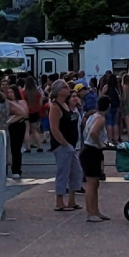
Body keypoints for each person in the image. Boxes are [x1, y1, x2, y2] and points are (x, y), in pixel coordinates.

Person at [49, 84, 80, 212]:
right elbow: (54, 129)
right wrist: (64, 143)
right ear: (59, 91)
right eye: (65, 87)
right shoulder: (56, 107)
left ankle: (71, 200)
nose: (68, 89)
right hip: (62, 146)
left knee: (76, 172)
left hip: (71, 145)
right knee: (63, 172)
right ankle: (59, 201)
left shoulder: (67, 105)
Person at [79, 99, 111, 222]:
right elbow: (93, 132)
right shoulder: (101, 119)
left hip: (90, 151)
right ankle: (90, 212)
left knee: (95, 183)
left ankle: (95, 210)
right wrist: (100, 144)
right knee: (91, 184)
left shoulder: (92, 116)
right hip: (91, 151)